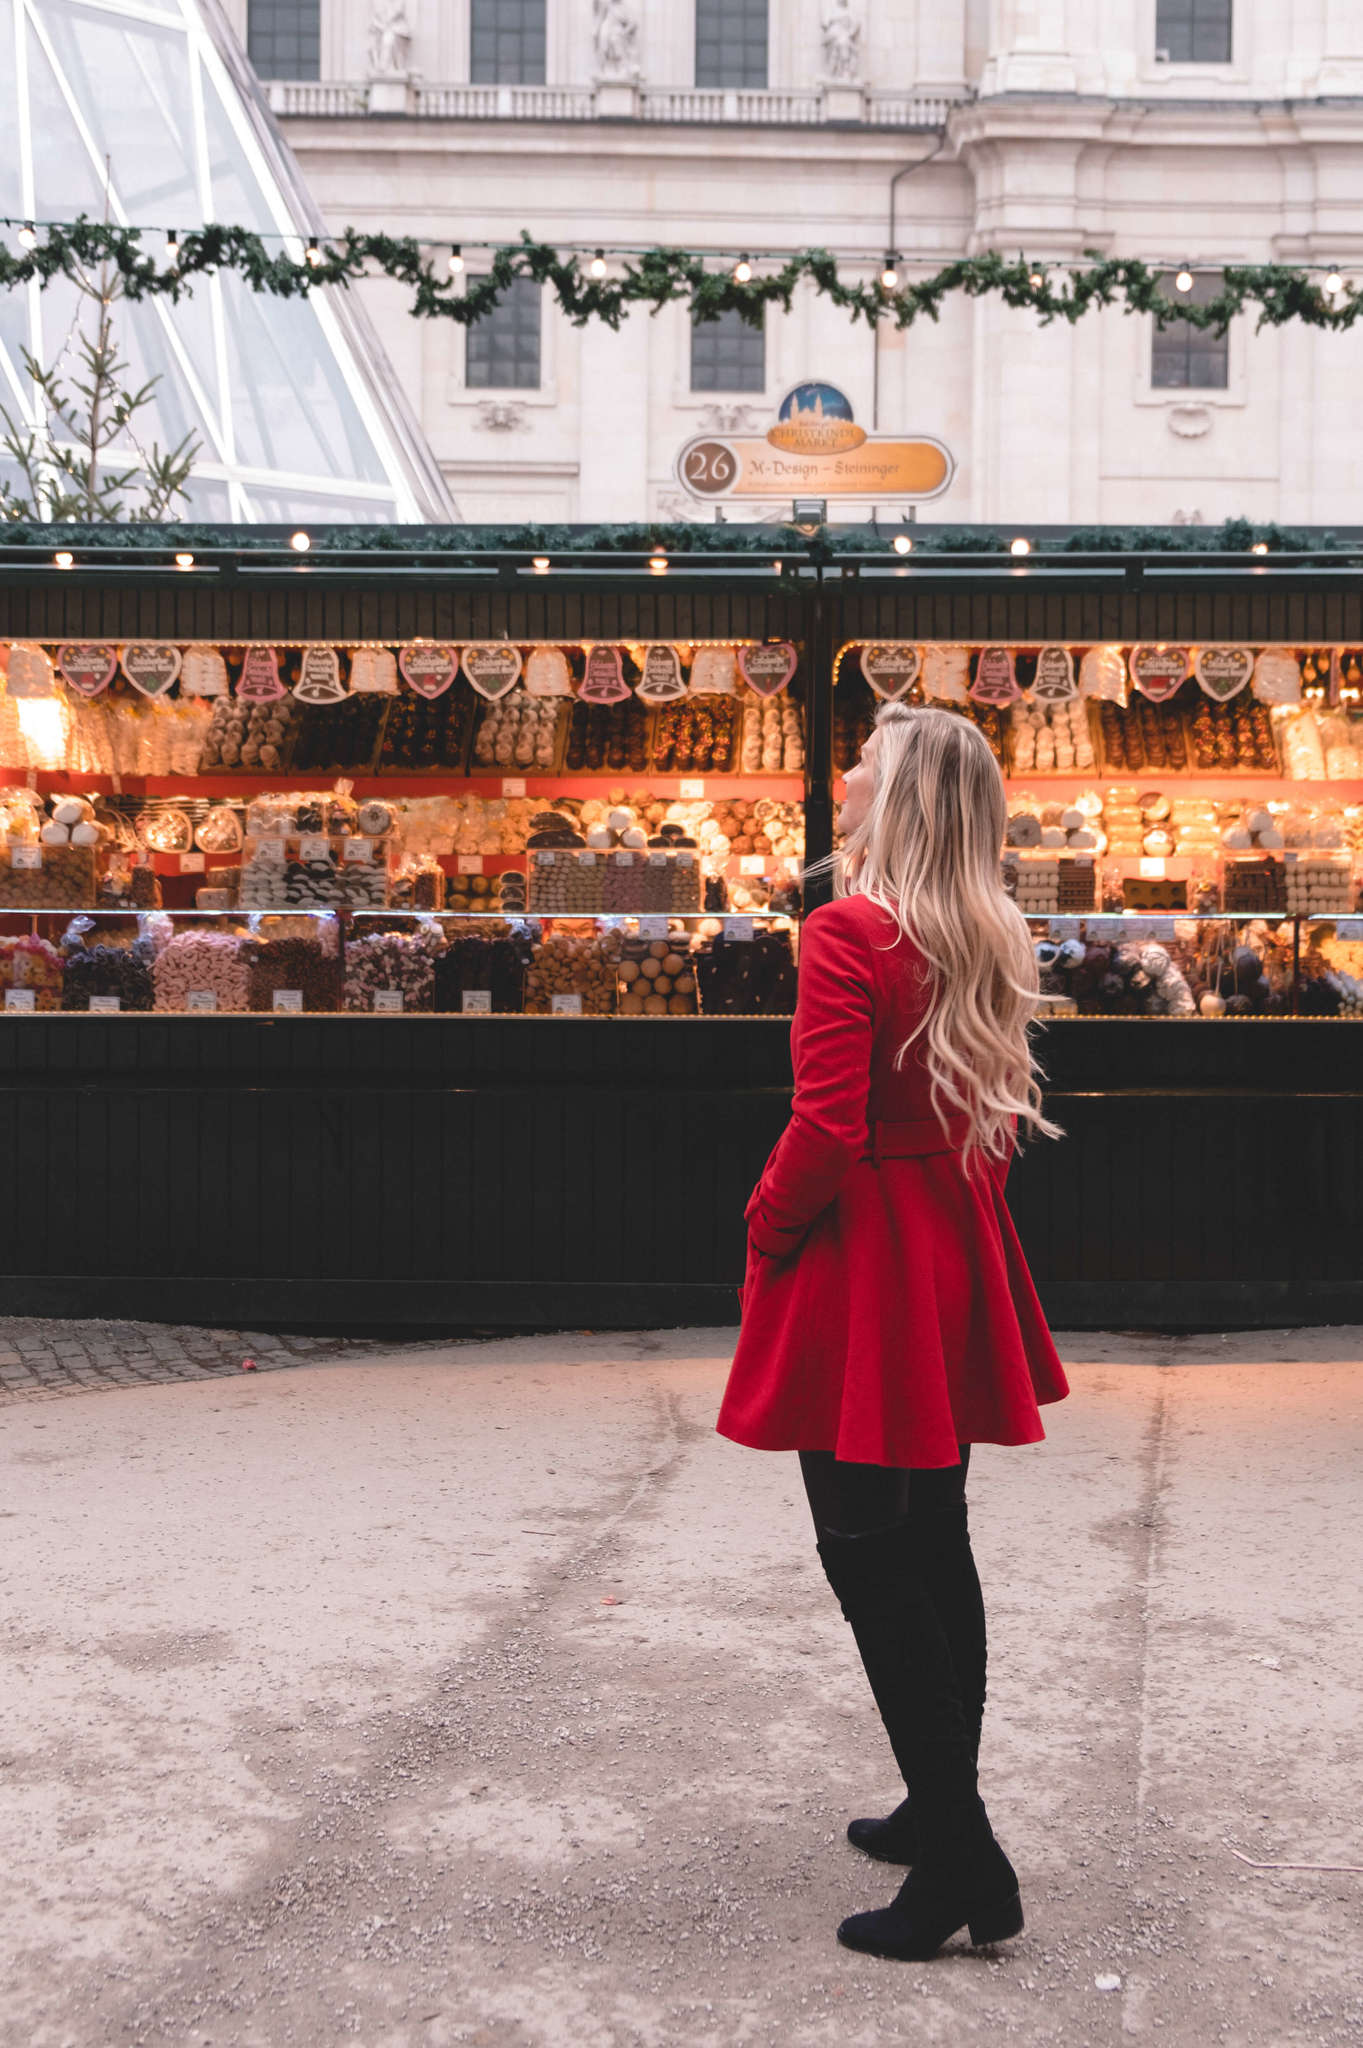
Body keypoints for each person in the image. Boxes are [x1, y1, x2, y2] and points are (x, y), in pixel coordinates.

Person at [716, 701, 1070, 1962]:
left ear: (902, 797)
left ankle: (962, 1864)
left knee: (868, 1561)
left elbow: (823, 1126)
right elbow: (988, 1116)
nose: (849, 773)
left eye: (865, 761)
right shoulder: (984, 929)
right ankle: (938, 1809)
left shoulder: (846, 930)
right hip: (946, 1243)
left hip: (863, 1255)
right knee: (935, 1541)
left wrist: (762, 1230)